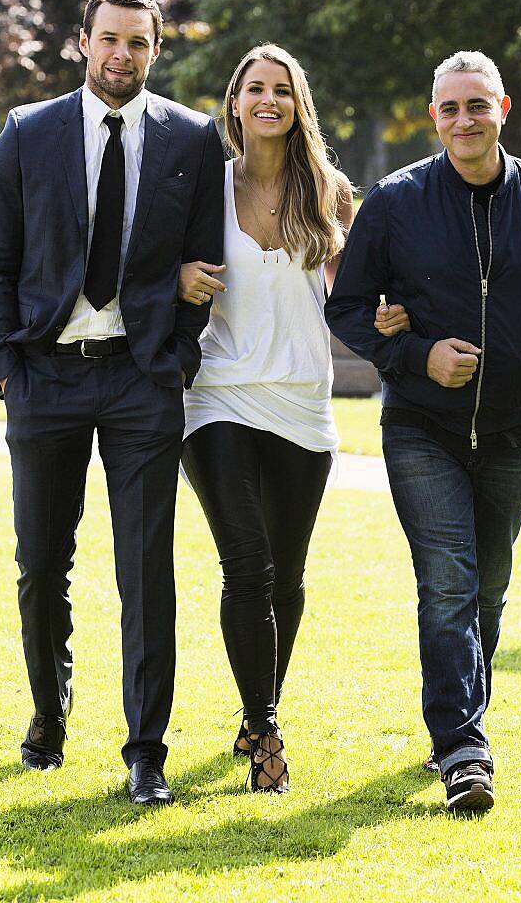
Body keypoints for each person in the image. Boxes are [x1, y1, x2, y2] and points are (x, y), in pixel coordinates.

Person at [325, 50, 521, 812]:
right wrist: (415, 353)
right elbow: (348, 306)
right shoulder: (396, 200)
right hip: (421, 425)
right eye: (448, 108)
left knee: (487, 590)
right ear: (433, 118)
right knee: (446, 583)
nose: (463, 120)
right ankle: (461, 750)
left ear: (503, 109)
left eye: (476, 105)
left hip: (515, 429)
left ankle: (459, 724)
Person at [0, 0, 224, 806]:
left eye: (140, 43)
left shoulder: (190, 139)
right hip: (43, 375)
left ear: (158, 50)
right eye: (110, 39)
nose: (123, 54)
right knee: (41, 563)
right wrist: (6, 362)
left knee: (146, 573)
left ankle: (145, 752)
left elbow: (202, 265)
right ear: (82, 41)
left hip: (140, 377)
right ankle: (49, 713)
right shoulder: (26, 133)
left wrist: (177, 358)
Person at [177, 44, 407, 792]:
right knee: (247, 563)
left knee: (287, 577)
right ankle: (267, 725)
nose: (267, 100)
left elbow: (347, 299)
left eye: (281, 89)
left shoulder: (331, 192)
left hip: (303, 404)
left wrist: (385, 314)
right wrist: (179, 277)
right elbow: (153, 267)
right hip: (217, 395)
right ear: (234, 102)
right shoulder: (200, 189)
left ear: (296, 104)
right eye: (254, 88)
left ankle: (252, 714)